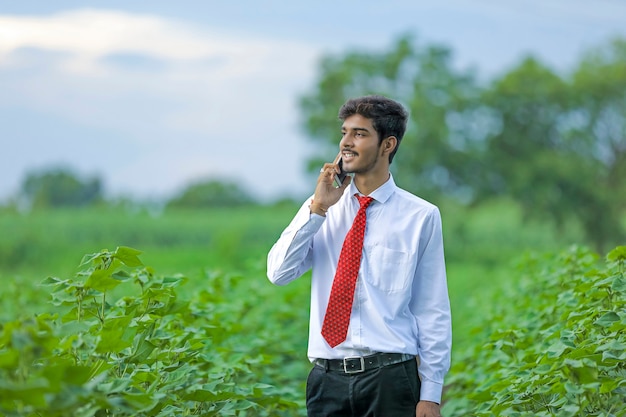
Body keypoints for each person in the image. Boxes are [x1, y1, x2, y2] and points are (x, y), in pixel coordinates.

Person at [267, 95, 451, 417]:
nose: (346, 144)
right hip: (327, 381)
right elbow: (279, 272)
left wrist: (431, 393)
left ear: (388, 144)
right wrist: (318, 209)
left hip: (391, 380)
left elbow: (431, 308)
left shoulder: (421, 216)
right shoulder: (321, 209)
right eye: (344, 133)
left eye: (359, 134)